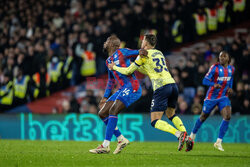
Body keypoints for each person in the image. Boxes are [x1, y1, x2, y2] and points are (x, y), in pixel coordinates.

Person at [109, 34, 193, 152]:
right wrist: (137, 66)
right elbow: (149, 70)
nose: (141, 43)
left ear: (146, 43)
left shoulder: (143, 54)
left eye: (143, 41)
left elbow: (128, 71)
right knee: (171, 114)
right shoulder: (159, 53)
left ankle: (179, 134)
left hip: (161, 87)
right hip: (173, 85)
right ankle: (187, 137)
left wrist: (114, 67)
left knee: (154, 121)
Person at [89, 35, 147, 154]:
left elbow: (137, 52)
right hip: (122, 89)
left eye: (107, 41)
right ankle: (121, 139)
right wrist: (105, 96)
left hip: (132, 87)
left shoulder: (123, 52)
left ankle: (105, 145)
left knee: (113, 111)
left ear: (112, 44)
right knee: (102, 113)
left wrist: (141, 51)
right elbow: (111, 81)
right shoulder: (108, 61)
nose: (105, 43)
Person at [190, 51, 234, 151]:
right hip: (211, 97)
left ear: (228, 58)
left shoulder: (232, 69)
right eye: (220, 56)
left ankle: (218, 142)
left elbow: (230, 80)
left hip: (223, 97)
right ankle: (193, 134)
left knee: (227, 116)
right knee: (203, 117)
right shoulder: (215, 67)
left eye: (224, 56)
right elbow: (204, 80)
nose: (222, 58)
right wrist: (213, 84)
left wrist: (230, 88)